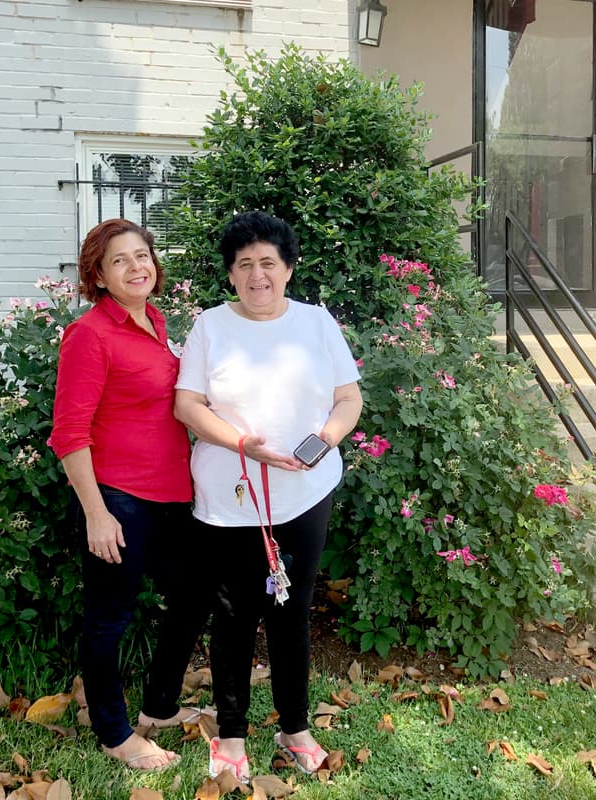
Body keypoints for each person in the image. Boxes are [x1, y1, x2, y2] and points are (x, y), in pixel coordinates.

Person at [175, 211, 362, 782]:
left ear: (288, 268)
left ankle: (295, 726)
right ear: (231, 275)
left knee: (292, 613)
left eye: (269, 264)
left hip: (304, 494)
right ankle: (231, 734)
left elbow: (348, 400)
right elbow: (188, 405)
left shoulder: (317, 323)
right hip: (231, 500)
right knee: (232, 616)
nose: (258, 275)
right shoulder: (210, 326)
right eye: (245, 265)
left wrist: (324, 442)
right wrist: (241, 443)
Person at [48, 218, 210, 770]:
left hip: (170, 498)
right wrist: (96, 513)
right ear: (98, 274)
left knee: (193, 597)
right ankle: (115, 734)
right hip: (117, 498)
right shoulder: (90, 334)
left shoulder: (156, 323)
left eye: (143, 255)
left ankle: (159, 707)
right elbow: (69, 433)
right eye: (120, 260)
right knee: (108, 618)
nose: (137, 266)